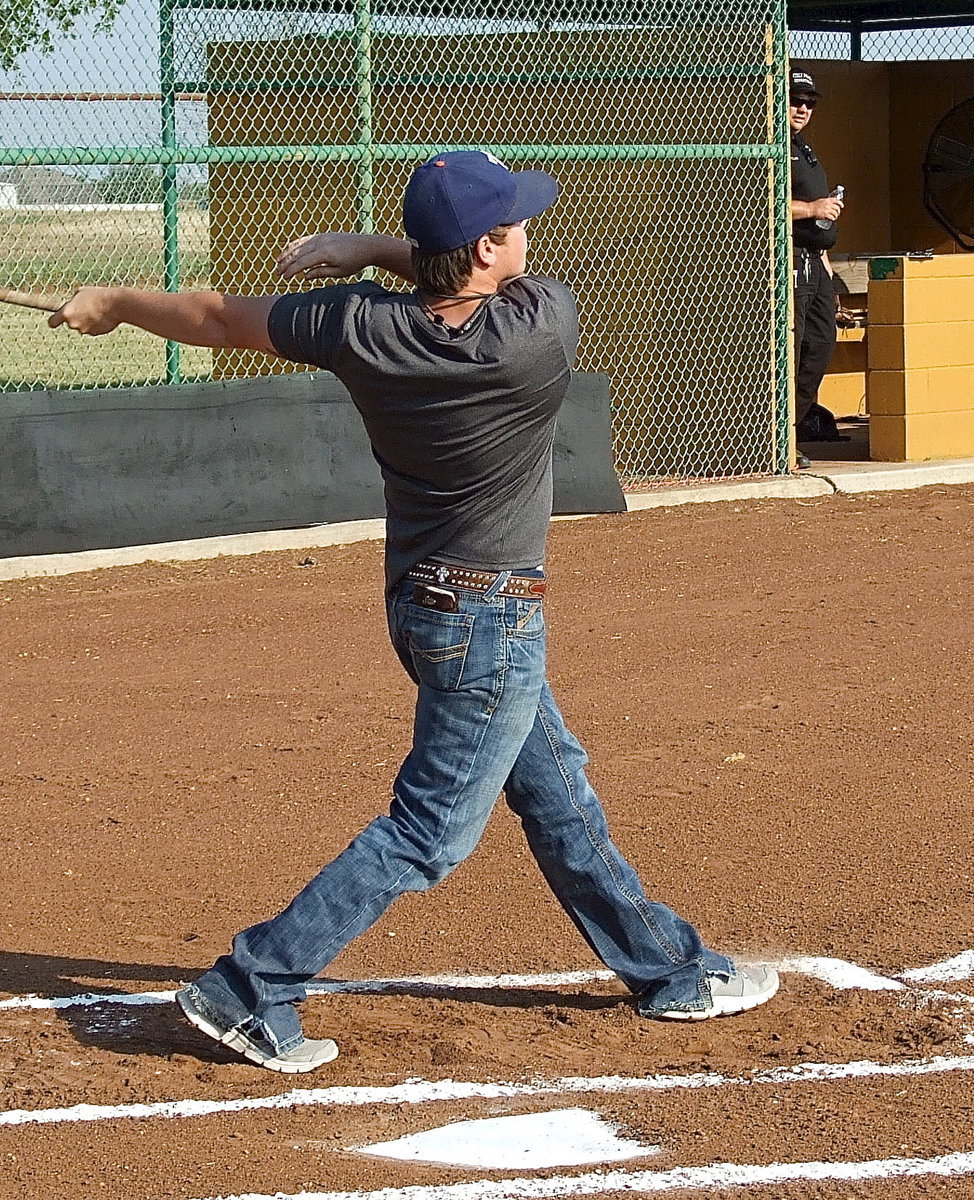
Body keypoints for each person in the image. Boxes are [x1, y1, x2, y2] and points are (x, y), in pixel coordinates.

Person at [51, 150, 780, 1074]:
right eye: (514, 222)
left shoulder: (358, 328)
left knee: (557, 789)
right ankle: (250, 984)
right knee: (431, 831)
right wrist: (369, 246)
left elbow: (215, 315)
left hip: (426, 607)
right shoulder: (540, 328)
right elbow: (453, 276)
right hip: (492, 621)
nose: (529, 231)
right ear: (484, 246)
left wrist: (112, 303)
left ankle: (668, 967)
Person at [789, 69, 846, 470]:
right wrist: (812, 209)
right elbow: (763, 203)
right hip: (789, 261)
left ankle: (793, 426)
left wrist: (829, 273)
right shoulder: (773, 148)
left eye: (809, 102)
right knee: (791, 349)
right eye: (795, 99)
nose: (802, 108)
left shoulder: (804, 147)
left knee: (821, 344)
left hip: (816, 262)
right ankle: (781, 441)